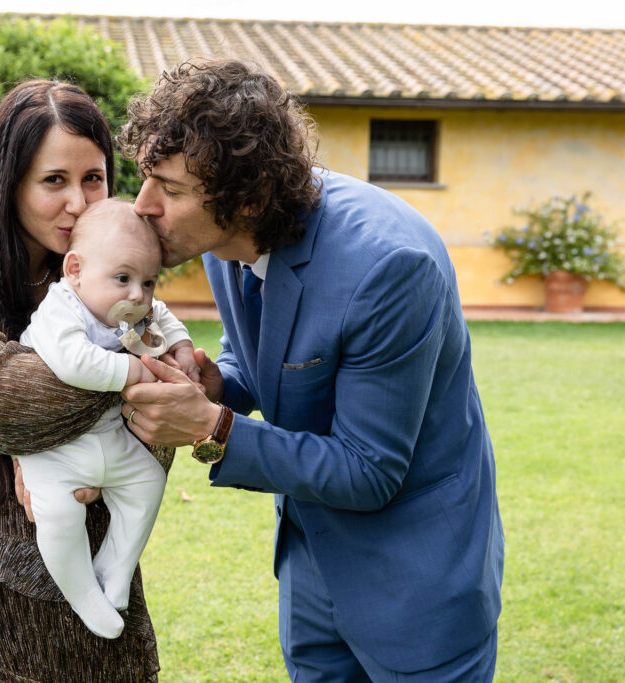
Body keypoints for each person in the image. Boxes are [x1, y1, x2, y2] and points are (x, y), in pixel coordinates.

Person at [118, 59, 505, 681]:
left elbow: (371, 469)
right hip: (309, 563)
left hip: (417, 580)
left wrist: (214, 429)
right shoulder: (223, 242)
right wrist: (220, 382)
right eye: (145, 179)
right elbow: (260, 351)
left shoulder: (388, 267)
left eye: (171, 189)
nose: (143, 207)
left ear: (250, 197)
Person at [0, 80, 168, 681]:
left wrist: (150, 386)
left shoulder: (109, 267)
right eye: (53, 181)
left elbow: (162, 415)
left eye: (93, 178)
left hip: (98, 574)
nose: (78, 203)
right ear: (8, 180)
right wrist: (130, 376)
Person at [15, 198, 196, 639]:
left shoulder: (127, 306)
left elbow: (162, 315)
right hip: (53, 450)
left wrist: (182, 345)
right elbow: (73, 362)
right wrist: (135, 370)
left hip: (110, 440)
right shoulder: (61, 308)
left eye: (148, 281)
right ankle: (82, 594)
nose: (138, 294)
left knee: (147, 482)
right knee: (57, 516)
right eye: (123, 278)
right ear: (75, 270)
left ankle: (114, 572)